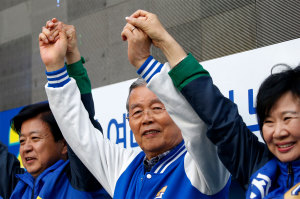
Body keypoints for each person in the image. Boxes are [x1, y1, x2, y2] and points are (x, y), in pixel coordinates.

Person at [42, 12, 231, 199]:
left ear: (176, 111)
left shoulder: (203, 165)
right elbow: (79, 132)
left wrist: (144, 61)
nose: (147, 119)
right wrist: (54, 67)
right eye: (137, 112)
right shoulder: (125, 167)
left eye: (157, 108)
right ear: (129, 121)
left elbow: (199, 124)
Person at [125, 10, 300, 198]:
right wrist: (159, 44)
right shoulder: (258, 165)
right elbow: (216, 112)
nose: (279, 132)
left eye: (288, 118)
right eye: (269, 122)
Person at [0, 20, 110, 199]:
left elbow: (79, 120)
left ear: (65, 144)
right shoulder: (19, 188)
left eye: (35, 138)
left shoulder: (82, 179)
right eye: (21, 141)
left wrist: (72, 58)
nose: (26, 148)